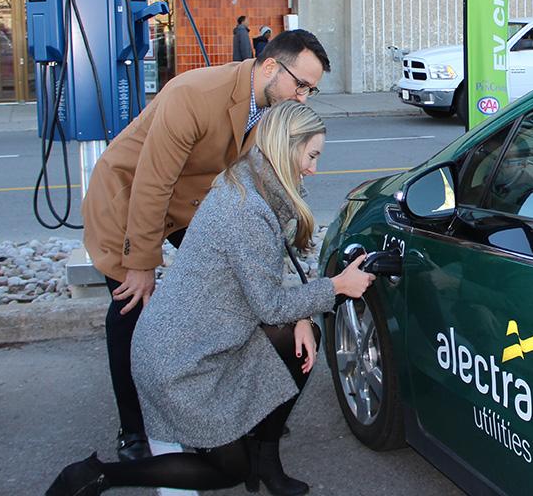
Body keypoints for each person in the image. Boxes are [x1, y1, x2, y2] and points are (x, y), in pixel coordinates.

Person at [47, 102, 376, 496]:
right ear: (285, 146)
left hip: (202, 337)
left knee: (300, 343)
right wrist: (338, 286)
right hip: (181, 361)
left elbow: (268, 276)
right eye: (311, 155)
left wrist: (304, 313)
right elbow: (270, 306)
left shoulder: (249, 177)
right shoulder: (248, 209)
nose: (313, 168)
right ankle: (97, 476)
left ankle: (266, 461)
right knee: (227, 469)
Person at [80, 29, 328, 462]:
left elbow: (268, 203)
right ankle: (134, 429)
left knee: (230, 291)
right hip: (128, 200)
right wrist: (141, 264)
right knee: (130, 311)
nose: (304, 98)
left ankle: (220, 409)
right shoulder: (193, 94)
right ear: (270, 66)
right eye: (301, 85)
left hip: (190, 202)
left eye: (312, 90)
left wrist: (299, 301)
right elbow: (152, 183)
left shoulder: (272, 111)